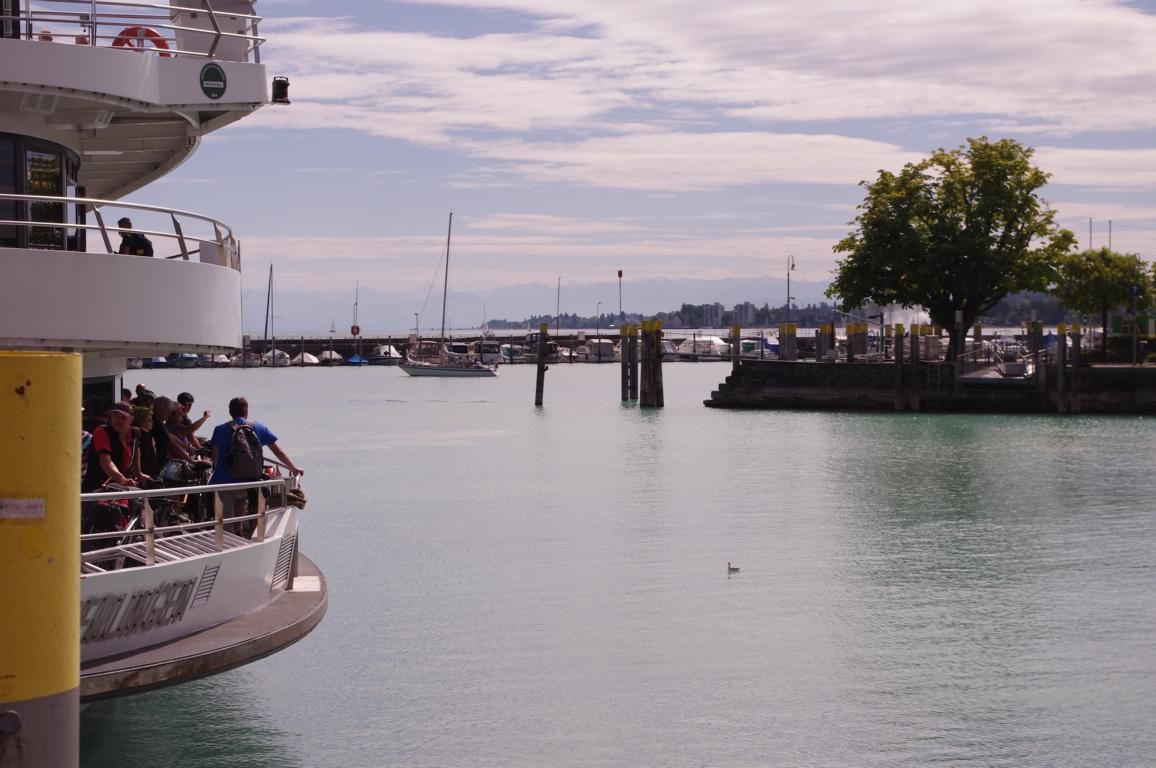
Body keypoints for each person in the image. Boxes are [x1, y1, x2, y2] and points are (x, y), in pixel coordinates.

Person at [209, 397, 302, 520]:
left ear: (230, 412)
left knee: (225, 518)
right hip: (248, 480)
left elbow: (215, 457)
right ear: (246, 411)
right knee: (241, 504)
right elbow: (278, 451)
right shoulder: (259, 428)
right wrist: (293, 468)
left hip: (224, 481)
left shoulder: (219, 430)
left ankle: (227, 529)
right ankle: (239, 527)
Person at [82, 402, 150, 492]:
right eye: (115, 416)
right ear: (111, 417)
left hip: (118, 485)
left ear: (131, 419)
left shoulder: (135, 433)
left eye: (123, 417)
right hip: (97, 487)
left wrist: (139, 473)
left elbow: (135, 450)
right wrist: (123, 480)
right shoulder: (102, 431)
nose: (119, 420)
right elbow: (106, 462)